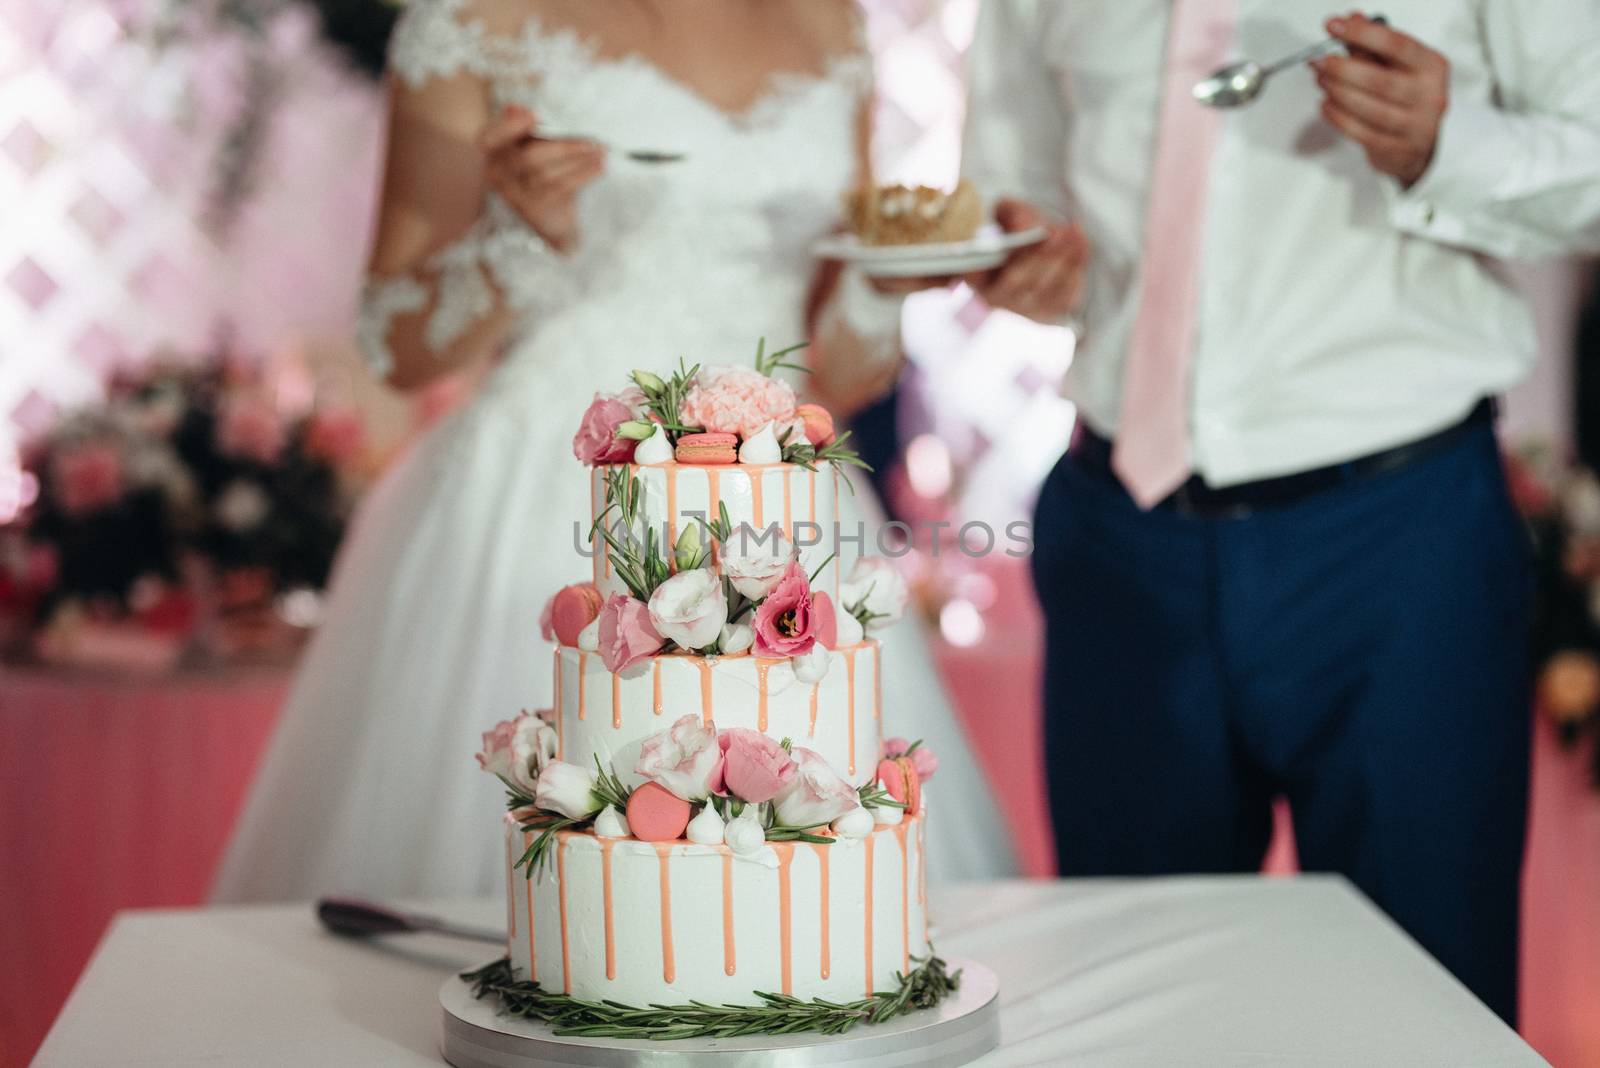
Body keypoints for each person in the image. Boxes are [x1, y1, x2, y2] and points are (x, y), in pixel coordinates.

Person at [212, 0, 1016, 903]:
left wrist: (882, 284)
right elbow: (398, 346)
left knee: (810, 896)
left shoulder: (829, 19)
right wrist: (519, 234)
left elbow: (838, 371)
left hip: (774, 504)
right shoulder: (471, 22)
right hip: (548, 496)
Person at [962, 1, 1600, 1024]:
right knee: (1129, 1012)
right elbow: (1012, 187)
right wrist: (1025, 257)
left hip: (1395, 540)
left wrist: (1450, 145)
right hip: (1120, 537)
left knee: (1423, 1014)